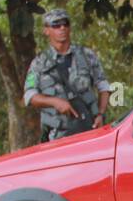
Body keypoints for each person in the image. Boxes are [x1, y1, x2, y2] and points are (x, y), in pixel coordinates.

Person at [23, 9, 112, 143]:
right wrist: (55, 102)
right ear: (46, 30)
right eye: (56, 25)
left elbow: (103, 86)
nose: (62, 28)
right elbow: (29, 96)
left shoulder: (87, 56)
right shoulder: (39, 63)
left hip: (90, 133)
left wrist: (101, 114)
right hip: (56, 139)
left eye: (65, 24)